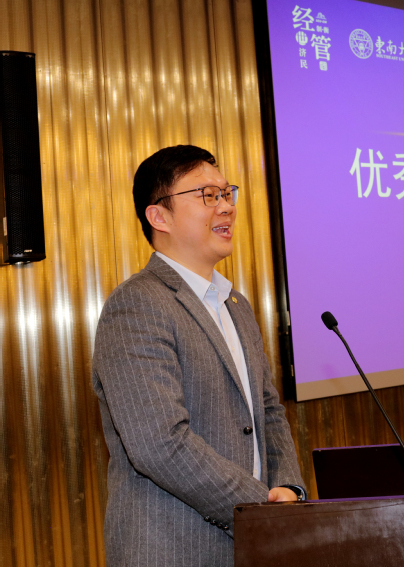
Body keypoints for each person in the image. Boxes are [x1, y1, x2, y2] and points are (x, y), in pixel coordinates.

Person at [92, 145, 305, 566]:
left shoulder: (235, 305)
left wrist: (289, 490)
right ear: (159, 216)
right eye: (208, 195)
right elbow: (159, 443)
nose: (226, 207)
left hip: (254, 542)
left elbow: (268, 411)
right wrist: (259, 508)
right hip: (175, 549)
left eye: (227, 193)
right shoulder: (137, 305)